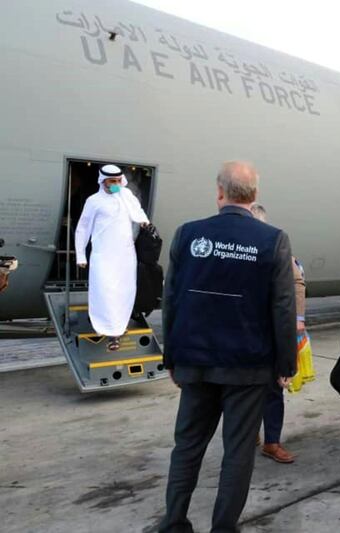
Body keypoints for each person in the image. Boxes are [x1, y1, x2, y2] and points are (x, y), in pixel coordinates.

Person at [158, 161, 296, 533]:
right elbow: (283, 306)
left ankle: (173, 522)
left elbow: (171, 299)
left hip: (196, 363)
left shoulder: (188, 234)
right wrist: (287, 364)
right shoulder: (272, 240)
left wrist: (171, 357)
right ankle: (223, 527)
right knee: (237, 452)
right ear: (255, 196)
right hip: (247, 366)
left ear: (219, 192)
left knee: (187, 446)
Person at [74, 164, 149, 351]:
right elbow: (83, 228)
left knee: (123, 291)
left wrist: (144, 222)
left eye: (117, 181)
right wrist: (80, 254)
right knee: (105, 291)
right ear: (103, 181)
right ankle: (108, 331)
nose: (115, 184)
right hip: (103, 255)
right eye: (111, 181)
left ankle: (118, 328)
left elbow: (138, 212)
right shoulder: (93, 201)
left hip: (125, 254)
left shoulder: (127, 196)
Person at [250, 202, 303, 464]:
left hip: (269, 335)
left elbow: (297, 283)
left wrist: (299, 321)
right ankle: (250, 435)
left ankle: (271, 441)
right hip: (243, 337)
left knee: (272, 391)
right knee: (243, 392)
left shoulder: (276, 249)